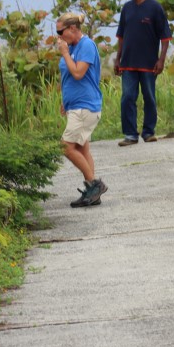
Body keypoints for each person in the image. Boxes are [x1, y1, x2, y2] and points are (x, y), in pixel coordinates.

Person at [57, 12, 108, 207]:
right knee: (82, 147)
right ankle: (92, 193)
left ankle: (95, 185)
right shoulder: (71, 47)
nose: (59, 37)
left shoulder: (86, 45)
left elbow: (78, 73)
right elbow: (68, 76)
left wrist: (64, 54)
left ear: (72, 29)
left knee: (66, 147)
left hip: (86, 106)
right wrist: (65, 101)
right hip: (75, 105)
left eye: (60, 32)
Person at [114, 0, 172, 146]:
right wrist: (118, 60)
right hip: (128, 63)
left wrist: (161, 60)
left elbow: (165, 38)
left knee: (149, 97)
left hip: (148, 64)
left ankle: (148, 132)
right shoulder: (126, 8)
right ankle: (130, 135)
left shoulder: (155, 8)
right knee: (127, 98)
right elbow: (121, 37)